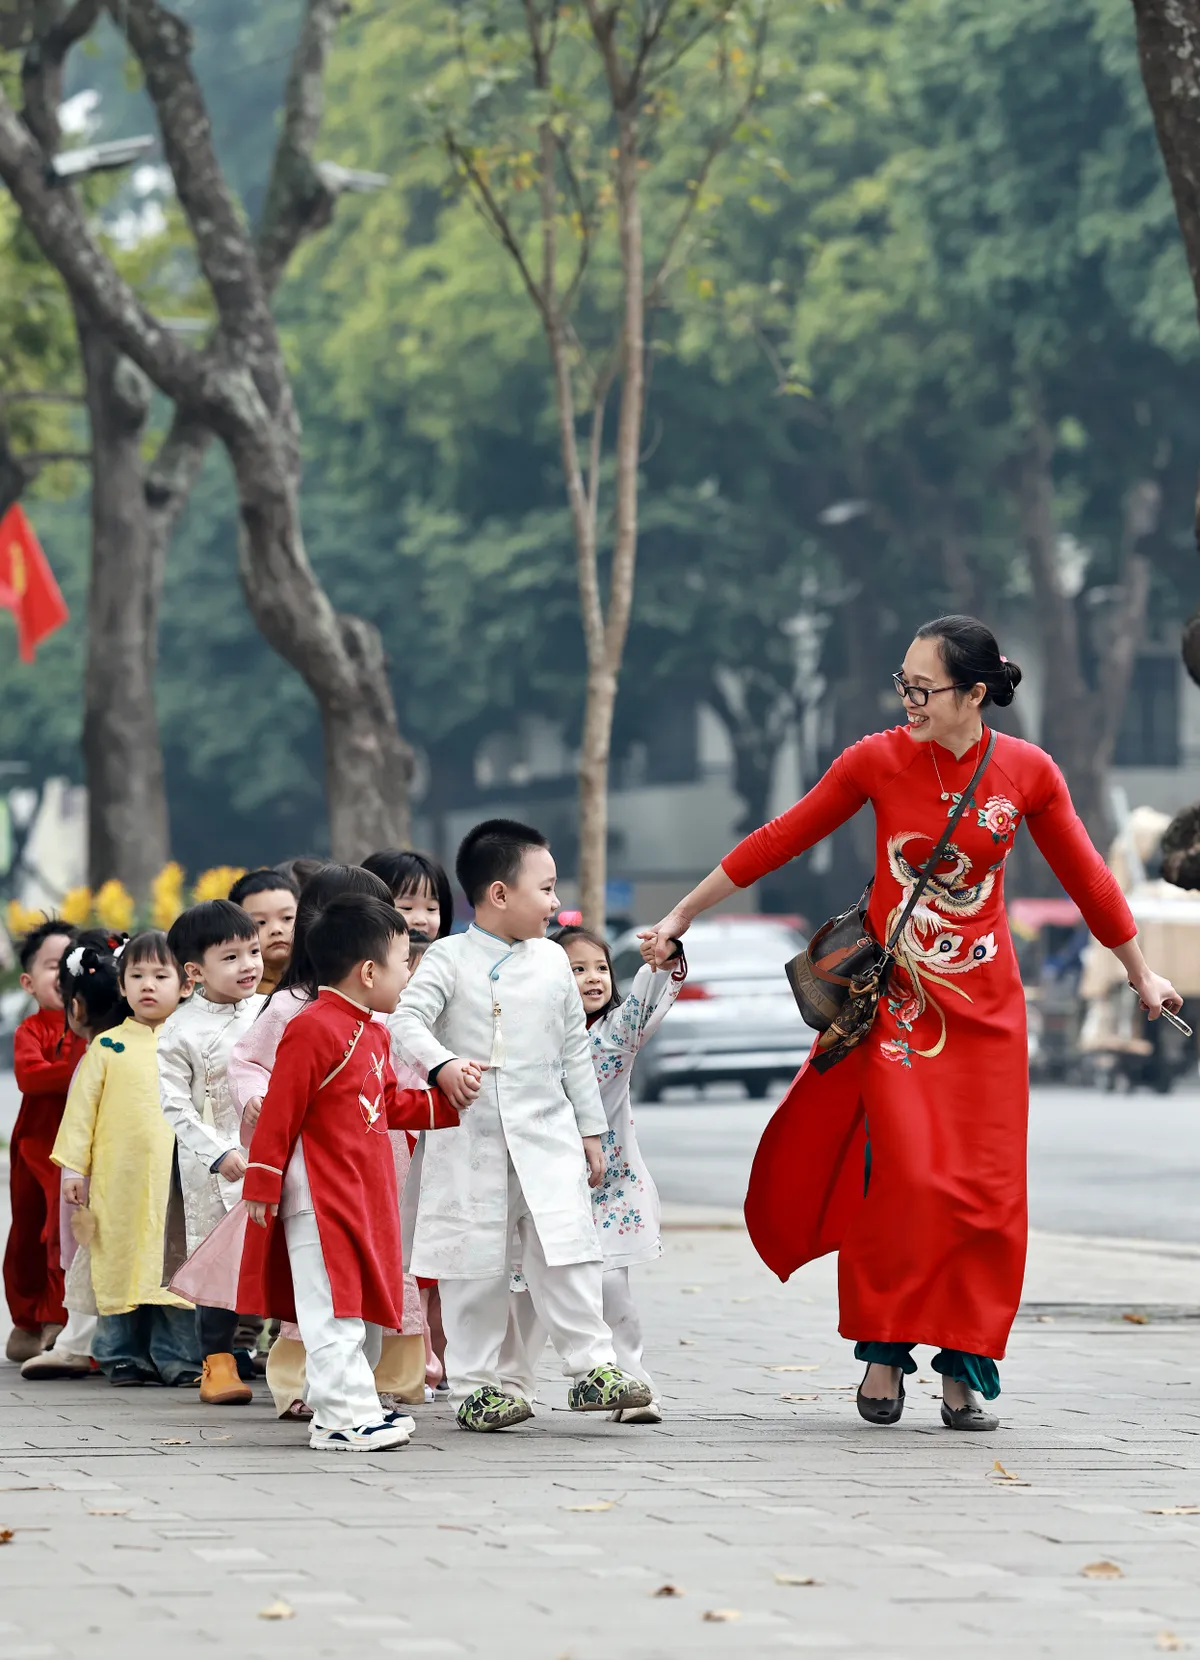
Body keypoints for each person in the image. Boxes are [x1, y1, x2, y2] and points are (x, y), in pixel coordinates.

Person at [640, 615, 1182, 1432]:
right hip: (900, 1009)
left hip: (990, 1017)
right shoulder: (877, 759)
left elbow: (1089, 879)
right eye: (903, 685)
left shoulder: (1028, 773)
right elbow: (779, 838)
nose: (908, 701)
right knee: (904, 1180)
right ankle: (886, 1351)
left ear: (972, 693)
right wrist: (681, 912)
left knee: (986, 1198)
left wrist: (1143, 975)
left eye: (922, 688)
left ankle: (965, 1365)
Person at [391, 818, 653, 1431]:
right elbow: (406, 1020)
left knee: (567, 1248)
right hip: (469, 1137)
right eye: (547, 888)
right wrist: (444, 1064)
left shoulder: (553, 964)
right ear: (500, 894)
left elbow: (573, 1057)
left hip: (547, 1132)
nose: (557, 903)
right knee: (472, 1258)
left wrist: (591, 1134)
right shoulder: (450, 959)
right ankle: (477, 1387)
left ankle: (593, 1368)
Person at [238, 894, 457, 1452]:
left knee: (349, 1306)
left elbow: (384, 1106)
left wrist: (447, 1102)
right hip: (317, 1194)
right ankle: (342, 1416)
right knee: (332, 1310)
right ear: (368, 971)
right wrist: (262, 1181)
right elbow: (280, 1108)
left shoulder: (374, 1032)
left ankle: (345, 1409)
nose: (410, 973)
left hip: (355, 1193)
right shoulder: (313, 1027)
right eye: (404, 961)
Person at [51, 932, 200, 1387]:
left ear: (186, 985)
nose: (147, 985)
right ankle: (120, 1356)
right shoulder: (107, 1047)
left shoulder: (193, 1041)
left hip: (177, 1181)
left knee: (174, 1264)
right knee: (118, 1260)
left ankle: (179, 1358)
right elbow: (81, 1114)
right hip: (119, 1183)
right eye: (136, 975)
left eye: (160, 975)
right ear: (122, 986)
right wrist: (75, 1169)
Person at [159, 899, 264, 1405]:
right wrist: (218, 1152)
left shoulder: (270, 1009)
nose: (248, 965)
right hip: (216, 1164)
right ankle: (217, 1362)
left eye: (253, 951)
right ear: (195, 971)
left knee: (281, 1253)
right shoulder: (180, 1029)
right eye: (231, 957)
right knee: (220, 1263)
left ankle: (289, 1351)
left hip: (273, 1152)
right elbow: (176, 1106)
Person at [364, 847, 456, 1389]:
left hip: (441, 1127)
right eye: (406, 905)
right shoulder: (370, 983)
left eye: (432, 906)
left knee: (440, 1244)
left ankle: (443, 1352)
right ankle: (408, 1355)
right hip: (392, 1129)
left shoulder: (453, 972)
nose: (421, 919)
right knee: (400, 1246)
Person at [4, 918, 84, 1365]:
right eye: (54, 965)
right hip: (37, 1144)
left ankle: (60, 1317)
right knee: (28, 1234)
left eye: (72, 963)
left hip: (79, 1147)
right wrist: (80, 1070)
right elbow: (30, 1077)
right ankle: (27, 1318)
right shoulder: (32, 1031)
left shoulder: (97, 1027)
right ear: (29, 982)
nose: (64, 974)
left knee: (65, 1227)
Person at [228, 868, 300, 998]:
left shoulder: (322, 981)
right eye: (260, 922)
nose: (276, 930)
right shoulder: (234, 995)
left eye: (287, 918)